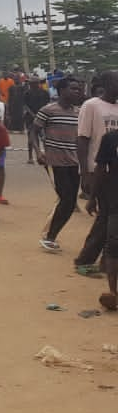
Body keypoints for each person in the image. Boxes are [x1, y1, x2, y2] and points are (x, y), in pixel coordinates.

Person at [75, 72, 118, 273]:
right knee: (107, 216)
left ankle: (104, 260)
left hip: (115, 170)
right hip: (98, 168)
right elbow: (83, 139)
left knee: (109, 216)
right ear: (108, 83)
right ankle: (85, 259)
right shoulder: (91, 106)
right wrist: (85, 172)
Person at [35, 76, 83, 253]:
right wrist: (39, 151)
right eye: (73, 88)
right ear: (62, 91)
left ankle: (50, 234)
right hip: (55, 162)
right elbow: (34, 131)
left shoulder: (79, 113)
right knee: (67, 199)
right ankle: (50, 236)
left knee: (69, 202)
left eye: (78, 89)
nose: (77, 92)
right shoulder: (48, 110)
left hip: (74, 162)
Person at [91, 127, 118, 310]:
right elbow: (100, 168)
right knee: (113, 242)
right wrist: (93, 197)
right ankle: (112, 292)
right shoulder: (110, 139)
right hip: (114, 198)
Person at [23, 75, 51, 165]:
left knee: (44, 138)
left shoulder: (45, 93)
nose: (30, 84)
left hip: (43, 117)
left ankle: (46, 156)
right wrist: (32, 114)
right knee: (31, 137)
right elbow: (25, 106)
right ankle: (30, 157)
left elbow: (48, 105)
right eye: (30, 83)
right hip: (30, 118)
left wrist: (41, 115)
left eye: (32, 83)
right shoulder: (27, 93)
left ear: (37, 83)